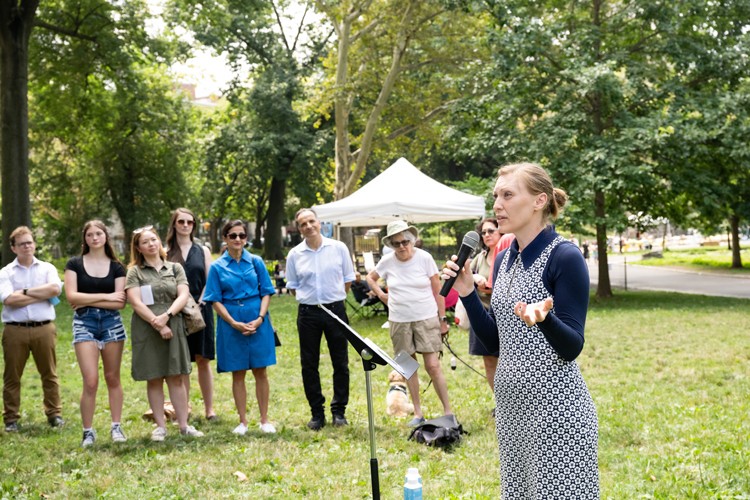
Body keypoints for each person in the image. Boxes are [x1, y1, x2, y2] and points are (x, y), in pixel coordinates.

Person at [443, 162, 599, 497]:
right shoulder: (504, 258)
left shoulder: (565, 257)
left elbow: (572, 347)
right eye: (496, 196)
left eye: (508, 195)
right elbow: (498, 340)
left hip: (556, 410)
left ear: (539, 201)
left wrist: (545, 320)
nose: (497, 204)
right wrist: (469, 293)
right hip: (512, 406)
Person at [366, 220, 453, 427]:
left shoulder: (425, 258)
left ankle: (448, 412)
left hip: (426, 317)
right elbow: (371, 278)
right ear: (391, 245)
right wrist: (380, 294)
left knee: (433, 365)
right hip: (399, 320)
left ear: (412, 240)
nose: (402, 246)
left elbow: (438, 290)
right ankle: (417, 412)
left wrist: (442, 319)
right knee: (408, 367)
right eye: (396, 243)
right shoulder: (387, 261)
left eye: (405, 241)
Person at [125, 226, 203, 441]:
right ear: (139, 249)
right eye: (145, 242)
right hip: (147, 327)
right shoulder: (135, 272)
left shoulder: (175, 267)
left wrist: (167, 316)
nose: (151, 244)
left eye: (153, 240)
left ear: (159, 242)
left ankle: (184, 425)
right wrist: (157, 323)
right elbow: (135, 302)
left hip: (174, 323)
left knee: (176, 376)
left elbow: (183, 295)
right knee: (154, 377)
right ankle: (160, 426)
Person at [203, 220, 277, 435]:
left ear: (246, 238)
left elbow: (266, 291)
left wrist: (261, 318)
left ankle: (264, 420)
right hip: (231, 322)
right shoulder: (217, 267)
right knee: (238, 373)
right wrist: (232, 322)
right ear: (225, 238)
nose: (237, 239)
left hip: (257, 319)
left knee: (261, 370)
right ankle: (243, 421)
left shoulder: (256, 261)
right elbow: (214, 299)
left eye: (242, 236)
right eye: (233, 235)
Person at [285, 208, 354, 430]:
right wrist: (312, 301)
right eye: (303, 224)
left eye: (311, 221)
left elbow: (347, 280)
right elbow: (294, 287)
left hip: (335, 310)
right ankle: (317, 413)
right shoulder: (295, 254)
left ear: (319, 222)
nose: (308, 226)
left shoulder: (338, 248)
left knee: (340, 362)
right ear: (299, 228)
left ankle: (339, 412)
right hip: (308, 313)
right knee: (309, 364)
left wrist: (333, 300)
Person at [64, 221, 127, 447]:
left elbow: (120, 302)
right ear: (85, 239)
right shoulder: (74, 264)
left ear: (105, 236)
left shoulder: (117, 267)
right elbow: (71, 297)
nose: (94, 238)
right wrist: (107, 297)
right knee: (90, 381)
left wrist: (91, 298)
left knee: (112, 378)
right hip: (84, 322)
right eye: (90, 234)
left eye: (98, 233)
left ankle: (116, 427)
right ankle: (88, 431)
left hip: (112, 323)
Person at [0, 226, 64, 432]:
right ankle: (11, 419)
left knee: (49, 373)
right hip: (14, 330)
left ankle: (54, 414)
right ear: (13, 248)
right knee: (12, 376)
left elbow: (55, 289)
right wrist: (40, 294)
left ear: (34, 244)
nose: (27, 246)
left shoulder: (47, 268)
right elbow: (9, 299)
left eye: (29, 242)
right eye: (22, 244)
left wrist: (25, 292)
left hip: (44, 329)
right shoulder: (5, 273)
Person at [165, 208, 217, 421]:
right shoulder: (165, 251)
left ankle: (209, 409)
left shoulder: (202, 250)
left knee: (202, 359)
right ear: (174, 224)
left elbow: (210, 278)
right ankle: (183, 407)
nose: (186, 225)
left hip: (201, 308)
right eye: (181, 222)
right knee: (183, 362)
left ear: (193, 225)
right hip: (176, 310)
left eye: (190, 222)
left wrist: (200, 302)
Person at [468, 217, 501, 390]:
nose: (486, 235)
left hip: (504, 314)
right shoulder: (480, 257)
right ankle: (501, 403)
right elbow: (466, 274)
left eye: (491, 231)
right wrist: (475, 277)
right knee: (489, 361)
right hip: (483, 313)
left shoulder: (511, 253)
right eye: (484, 232)